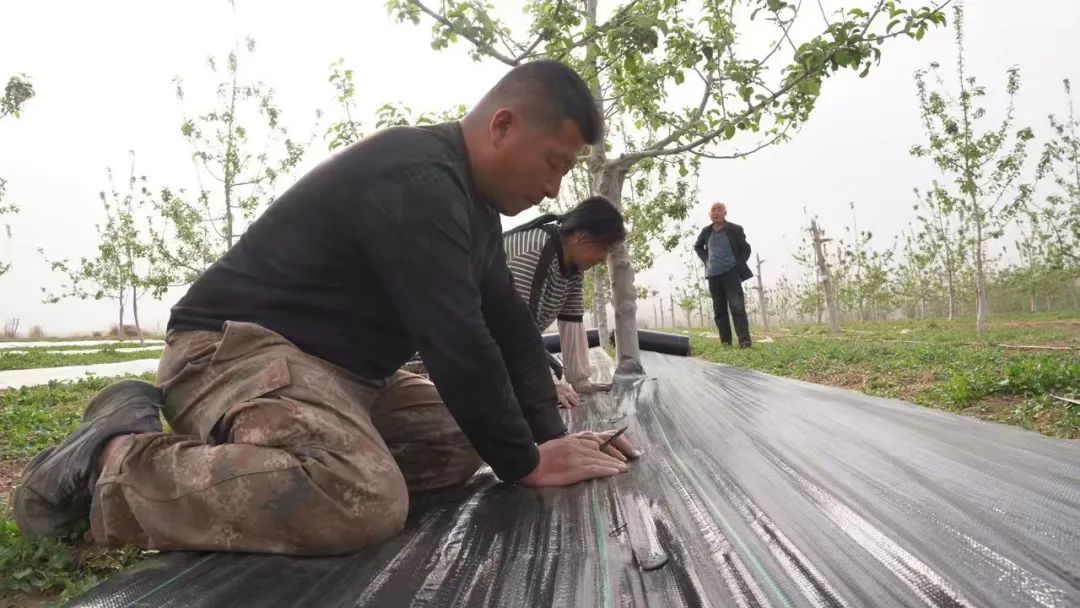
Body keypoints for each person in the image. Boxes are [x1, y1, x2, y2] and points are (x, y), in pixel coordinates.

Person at [13, 59, 640, 556]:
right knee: (359, 500)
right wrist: (527, 463)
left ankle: (308, 452)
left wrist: (554, 441)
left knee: (458, 440)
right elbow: (459, 341)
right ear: (502, 126)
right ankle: (111, 464)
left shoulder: (473, 214)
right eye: (555, 163)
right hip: (231, 349)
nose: (556, 188)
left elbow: (511, 334)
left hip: (344, 376)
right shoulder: (418, 177)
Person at [503, 196, 625, 408]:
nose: (603, 258)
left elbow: (572, 322)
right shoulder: (535, 250)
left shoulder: (574, 268)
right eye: (604, 248)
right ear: (582, 236)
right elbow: (513, 329)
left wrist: (579, 381)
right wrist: (544, 385)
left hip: (505, 343)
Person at [694, 202, 753, 348]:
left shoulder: (735, 229)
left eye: (719, 210)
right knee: (719, 311)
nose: (716, 213)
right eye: (713, 210)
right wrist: (706, 260)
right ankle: (725, 343)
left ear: (725, 213)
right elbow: (697, 246)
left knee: (737, 308)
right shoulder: (706, 231)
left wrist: (738, 264)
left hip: (731, 274)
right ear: (710, 214)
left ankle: (744, 342)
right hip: (713, 275)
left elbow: (746, 249)